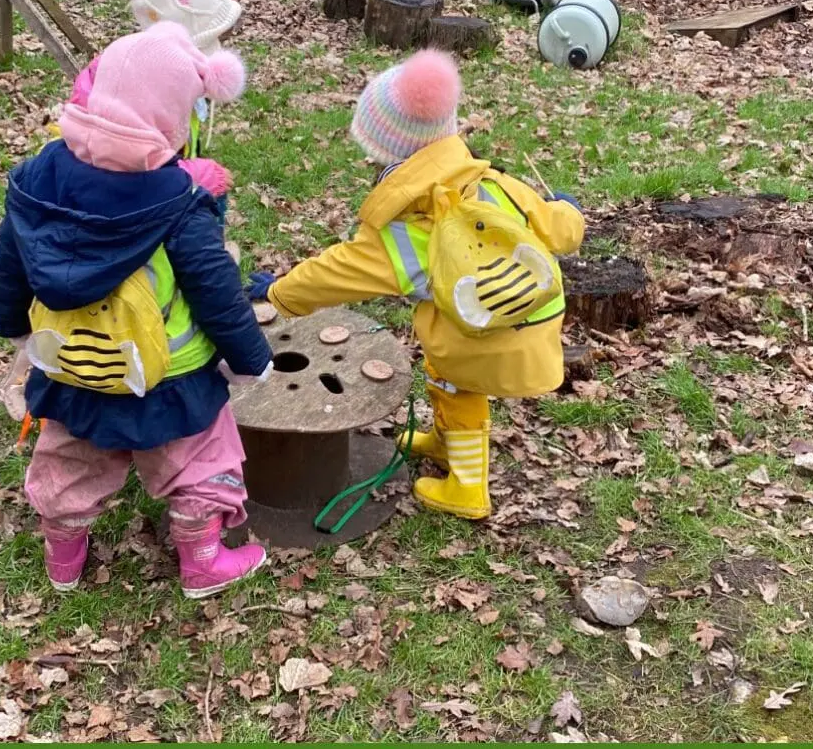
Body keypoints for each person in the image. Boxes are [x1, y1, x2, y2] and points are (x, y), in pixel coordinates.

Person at [0, 22, 272, 597]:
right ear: (173, 116)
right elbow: (214, 286)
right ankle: (203, 560)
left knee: (69, 459)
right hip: (171, 373)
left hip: (72, 365)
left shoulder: (36, 178)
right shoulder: (178, 200)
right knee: (199, 457)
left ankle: (64, 561)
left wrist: (11, 322)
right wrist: (250, 356)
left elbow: (10, 257)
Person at [246, 50, 586, 521]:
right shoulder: (495, 183)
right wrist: (570, 209)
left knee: (460, 389)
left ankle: (467, 488)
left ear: (388, 151)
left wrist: (280, 293)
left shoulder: (405, 230)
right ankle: (446, 444)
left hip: (477, 335)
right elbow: (559, 228)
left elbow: (336, 272)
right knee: (446, 383)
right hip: (536, 319)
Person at [69, 0, 242, 230]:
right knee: (210, 191)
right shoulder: (124, 87)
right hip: (119, 220)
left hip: (154, 190)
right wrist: (192, 176)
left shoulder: (158, 74)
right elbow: (122, 168)